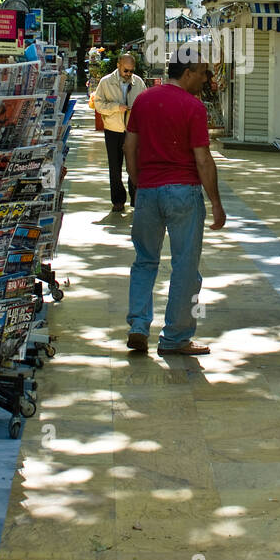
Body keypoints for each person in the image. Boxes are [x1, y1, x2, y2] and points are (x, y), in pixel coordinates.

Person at [123, 44, 226, 356]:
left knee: (144, 260)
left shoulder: (143, 100)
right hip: (183, 192)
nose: (207, 77)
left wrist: (138, 184)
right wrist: (216, 203)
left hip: (149, 191)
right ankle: (175, 338)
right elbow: (203, 160)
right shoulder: (192, 107)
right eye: (204, 72)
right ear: (188, 72)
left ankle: (138, 326)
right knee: (185, 267)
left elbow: (129, 146)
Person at [94, 51, 147, 210]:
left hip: (133, 130)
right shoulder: (106, 82)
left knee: (135, 165)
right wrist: (116, 108)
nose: (129, 74)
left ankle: (136, 197)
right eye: (126, 70)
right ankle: (117, 200)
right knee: (114, 167)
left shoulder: (138, 82)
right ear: (118, 66)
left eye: (131, 70)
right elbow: (98, 104)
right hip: (113, 129)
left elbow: (146, 103)